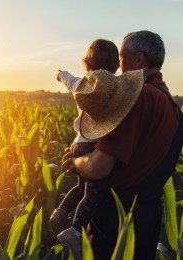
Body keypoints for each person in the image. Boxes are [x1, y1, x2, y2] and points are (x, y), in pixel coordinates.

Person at [62, 30, 183, 260]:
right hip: (147, 221)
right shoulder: (170, 104)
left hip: (115, 224)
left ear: (138, 60)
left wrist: (75, 162)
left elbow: (99, 167)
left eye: (121, 58)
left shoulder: (136, 99)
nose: (117, 66)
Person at [49, 39, 120, 242]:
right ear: (116, 66)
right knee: (93, 193)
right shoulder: (113, 90)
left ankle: (60, 212)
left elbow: (67, 79)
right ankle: (76, 230)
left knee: (80, 187)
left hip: (78, 143)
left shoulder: (80, 85)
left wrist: (60, 74)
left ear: (87, 63)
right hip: (93, 144)